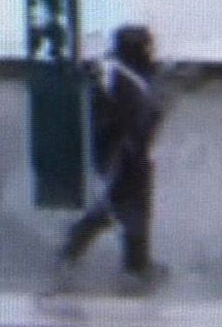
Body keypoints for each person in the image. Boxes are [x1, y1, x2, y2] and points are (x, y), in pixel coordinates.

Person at [54, 25, 166, 290]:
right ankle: (132, 265)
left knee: (125, 207)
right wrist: (118, 152)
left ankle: (129, 261)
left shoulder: (128, 75)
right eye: (146, 47)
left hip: (133, 152)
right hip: (123, 155)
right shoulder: (117, 80)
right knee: (125, 207)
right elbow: (114, 121)